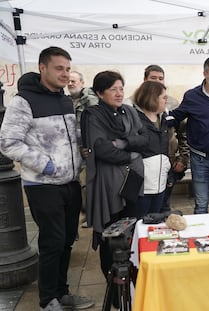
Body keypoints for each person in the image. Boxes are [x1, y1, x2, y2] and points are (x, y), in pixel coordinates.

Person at [0, 46, 94, 311]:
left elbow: (67, 136)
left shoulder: (65, 99)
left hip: (70, 182)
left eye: (67, 68)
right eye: (58, 68)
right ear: (43, 68)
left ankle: (62, 293)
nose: (64, 74)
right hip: (43, 185)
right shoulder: (23, 101)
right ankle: (47, 300)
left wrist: (80, 151)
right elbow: (7, 142)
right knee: (52, 242)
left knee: (66, 241)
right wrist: (46, 165)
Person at [81, 70, 147, 308]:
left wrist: (124, 143)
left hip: (132, 181)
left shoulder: (129, 111)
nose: (119, 93)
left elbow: (144, 139)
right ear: (99, 93)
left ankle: (132, 281)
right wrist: (132, 153)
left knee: (132, 229)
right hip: (108, 184)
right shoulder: (93, 116)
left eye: (121, 87)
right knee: (111, 232)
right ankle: (114, 284)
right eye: (113, 89)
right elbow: (101, 150)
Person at [169, 56, 209, 214]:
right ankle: (202, 238)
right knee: (201, 206)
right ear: (205, 74)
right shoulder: (191, 96)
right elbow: (175, 117)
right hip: (199, 160)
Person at [125, 65, 189, 212]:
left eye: (161, 78)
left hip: (165, 176)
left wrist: (182, 159)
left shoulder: (167, 112)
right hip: (142, 182)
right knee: (141, 220)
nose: (158, 82)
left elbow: (182, 134)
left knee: (161, 216)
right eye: (154, 78)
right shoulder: (132, 113)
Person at [132, 80, 171, 217]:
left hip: (160, 183)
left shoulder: (164, 119)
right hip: (142, 185)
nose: (167, 100)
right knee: (140, 221)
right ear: (152, 98)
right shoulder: (135, 120)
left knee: (155, 220)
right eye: (164, 97)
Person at [67, 70, 98, 227]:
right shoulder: (66, 100)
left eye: (74, 81)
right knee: (78, 186)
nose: (71, 84)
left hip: (86, 150)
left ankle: (90, 216)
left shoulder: (90, 100)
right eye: (69, 81)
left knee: (86, 185)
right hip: (72, 152)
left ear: (82, 83)